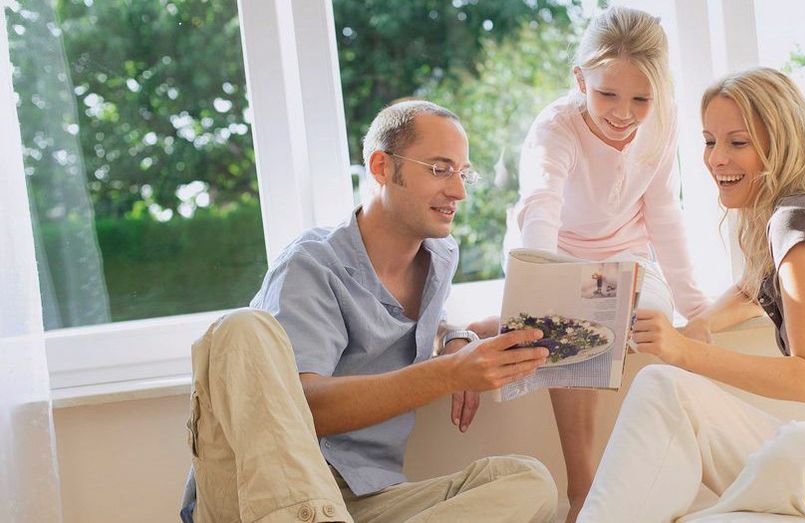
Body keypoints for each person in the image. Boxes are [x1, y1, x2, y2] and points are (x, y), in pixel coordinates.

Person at [180, 100, 558, 523]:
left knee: (527, 482)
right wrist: (450, 373)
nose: (459, 191)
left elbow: (408, 322)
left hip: (367, 499)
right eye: (439, 169)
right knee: (241, 328)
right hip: (263, 493)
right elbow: (304, 409)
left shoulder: (441, 255)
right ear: (381, 167)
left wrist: (455, 335)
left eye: (462, 172)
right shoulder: (311, 265)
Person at [579, 67, 805, 523]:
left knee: (801, 447)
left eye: (738, 143)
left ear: (781, 145)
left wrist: (679, 348)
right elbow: (756, 287)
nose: (717, 159)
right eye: (710, 141)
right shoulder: (790, 217)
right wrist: (703, 322)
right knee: (665, 389)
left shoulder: (799, 221)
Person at [503, 7, 710, 520]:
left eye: (641, 98)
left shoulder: (660, 125)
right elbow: (542, 204)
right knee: (574, 325)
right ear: (580, 80)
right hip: (561, 252)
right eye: (607, 95)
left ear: (660, 92)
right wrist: (542, 284)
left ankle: (652, 485)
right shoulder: (557, 129)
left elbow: (664, 213)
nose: (623, 113)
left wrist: (696, 306)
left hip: (627, 254)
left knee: (641, 323)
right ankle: (583, 490)